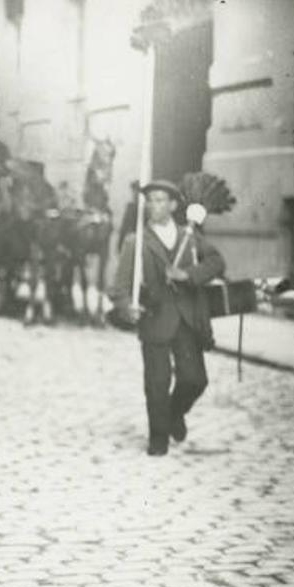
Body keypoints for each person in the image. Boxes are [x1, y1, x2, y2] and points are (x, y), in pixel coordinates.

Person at [109, 179, 227, 457]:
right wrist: (128, 308)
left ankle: (174, 414)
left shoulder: (191, 236)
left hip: (188, 320)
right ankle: (158, 438)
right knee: (157, 383)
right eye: (150, 200)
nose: (154, 205)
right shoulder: (136, 241)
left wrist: (188, 275)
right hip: (155, 319)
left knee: (195, 380)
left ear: (174, 205)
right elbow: (119, 287)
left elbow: (217, 262)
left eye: (160, 200)